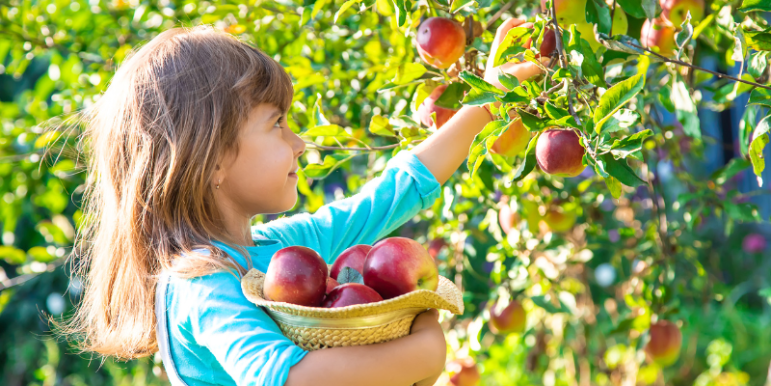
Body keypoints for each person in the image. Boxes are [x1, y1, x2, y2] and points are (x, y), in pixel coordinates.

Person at [59, 17, 544, 386]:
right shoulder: (200, 285)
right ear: (211, 161)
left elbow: (393, 193)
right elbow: (291, 379)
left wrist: (485, 102)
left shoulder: (280, 249)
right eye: (277, 125)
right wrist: (427, 350)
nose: (301, 144)